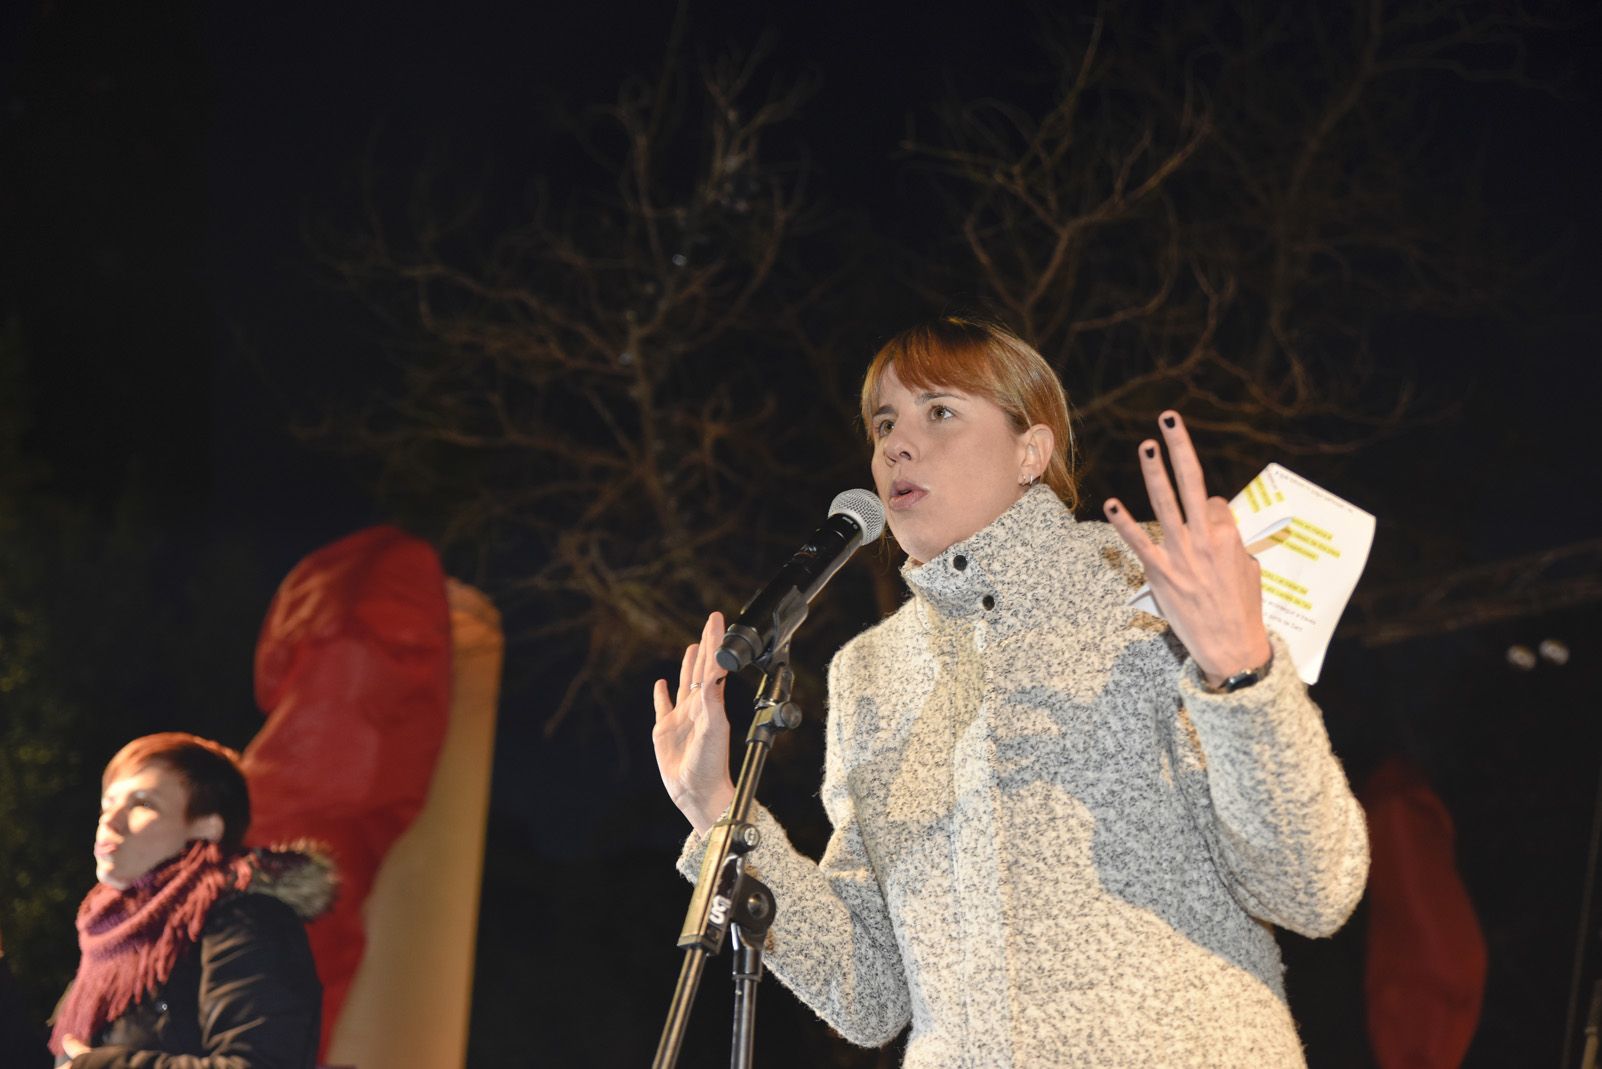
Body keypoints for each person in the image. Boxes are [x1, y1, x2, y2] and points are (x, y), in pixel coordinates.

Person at [652, 316, 1369, 1065]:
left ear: (1032, 450)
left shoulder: (1158, 585)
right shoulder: (869, 672)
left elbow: (1314, 888)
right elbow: (870, 993)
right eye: (885, 421)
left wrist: (1242, 670)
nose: (897, 443)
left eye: (941, 412)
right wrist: (715, 809)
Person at [44, 732, 332, 1068]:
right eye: (107, 803)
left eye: (142, 803)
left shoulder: (244, 916)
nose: (110, 819)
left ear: (207, 827)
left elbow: (262, 1062)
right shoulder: (112, 940)